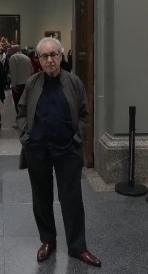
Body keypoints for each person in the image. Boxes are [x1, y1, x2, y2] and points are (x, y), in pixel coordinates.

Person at [16, 37, 101, 267]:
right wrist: (26, 137)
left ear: (61, 56)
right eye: (44, 56)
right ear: (39, 59)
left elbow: (84, 114)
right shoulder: (32, 83)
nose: (50, 60)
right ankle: (48, 241)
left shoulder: (74, 82)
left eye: (54, 54)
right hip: (38, 150)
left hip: (67, 151)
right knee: (41, 197)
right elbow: (21, 112)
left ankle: (78, 246)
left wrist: (77, 139)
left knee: (71, 199)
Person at [8, 45, 33, 126]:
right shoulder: (26, 57)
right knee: (26, 103)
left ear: (14, 50)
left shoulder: (13, 58)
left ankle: (19, 122)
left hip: (18, 84)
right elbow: (31, 71)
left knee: (18, 104)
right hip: (27, 83)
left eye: (12, 49)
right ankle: (27, 121)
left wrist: (13, 85)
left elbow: (13, 72)